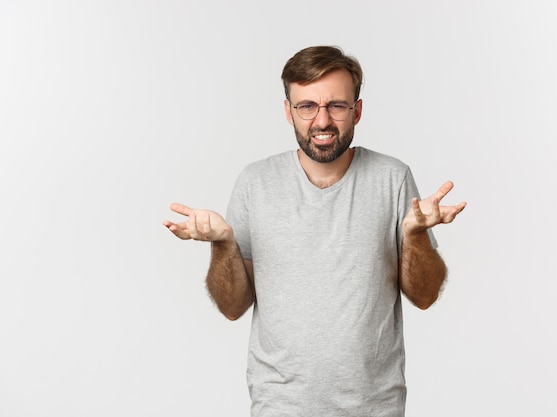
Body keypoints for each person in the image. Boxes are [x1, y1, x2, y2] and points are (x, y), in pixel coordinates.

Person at [163, 45, 466, 417]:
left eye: (336, 106)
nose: (322, 120)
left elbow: (424, 296)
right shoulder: (255, 183)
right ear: (289, 112)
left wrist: (416, 237)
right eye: (307, 106)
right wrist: (223, 245)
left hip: (373, 407)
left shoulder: (393, 178)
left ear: (357, 110)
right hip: (280, 406)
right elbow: (232, 308)